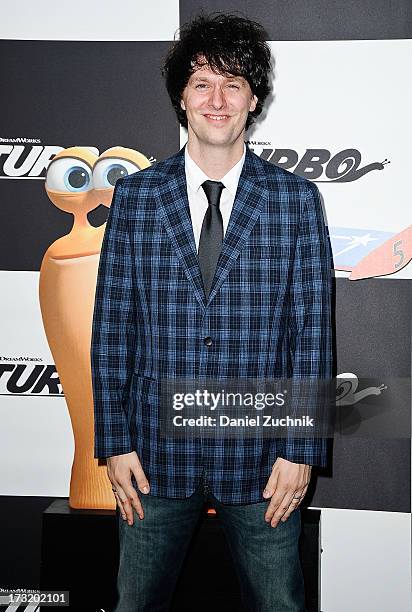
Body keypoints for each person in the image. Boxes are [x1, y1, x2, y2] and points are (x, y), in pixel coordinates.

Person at [90, 12, 334, 612]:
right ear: (182, 96)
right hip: (151, 457)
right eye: (203, 83)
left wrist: (300, 450)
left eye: (233, 83)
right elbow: (112, 325)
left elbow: (312, 336)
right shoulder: (137, 197)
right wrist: (114, 442)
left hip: (261, 461)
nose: (217, 99)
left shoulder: (295, 201)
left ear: (254, 98)